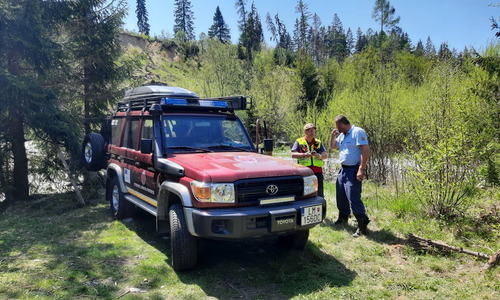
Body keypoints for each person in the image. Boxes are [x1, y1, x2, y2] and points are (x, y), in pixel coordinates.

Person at [329, 115, 370, 237]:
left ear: (341, 125)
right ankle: (343, 218)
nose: (336, 128)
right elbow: (333, 146)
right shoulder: (342, 135)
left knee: (354, 197)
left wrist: (360, 169)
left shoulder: (357, 132)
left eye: (337, 125)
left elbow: (365, 150)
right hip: (343, 170)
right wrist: (333, 136)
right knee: (341, 195)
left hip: (353, 169)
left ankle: (362, 226)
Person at [291, 123, 328, 197]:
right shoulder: (299, 141)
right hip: (304, 171)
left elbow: (325, 155)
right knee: (304, 192)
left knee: (319, 191)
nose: (312, 133)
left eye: (313, 131)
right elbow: (293, 154)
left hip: (317, 171)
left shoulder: (318, 142)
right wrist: (305, 155)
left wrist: (318, 155)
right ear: (305, 132)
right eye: (310, 131)